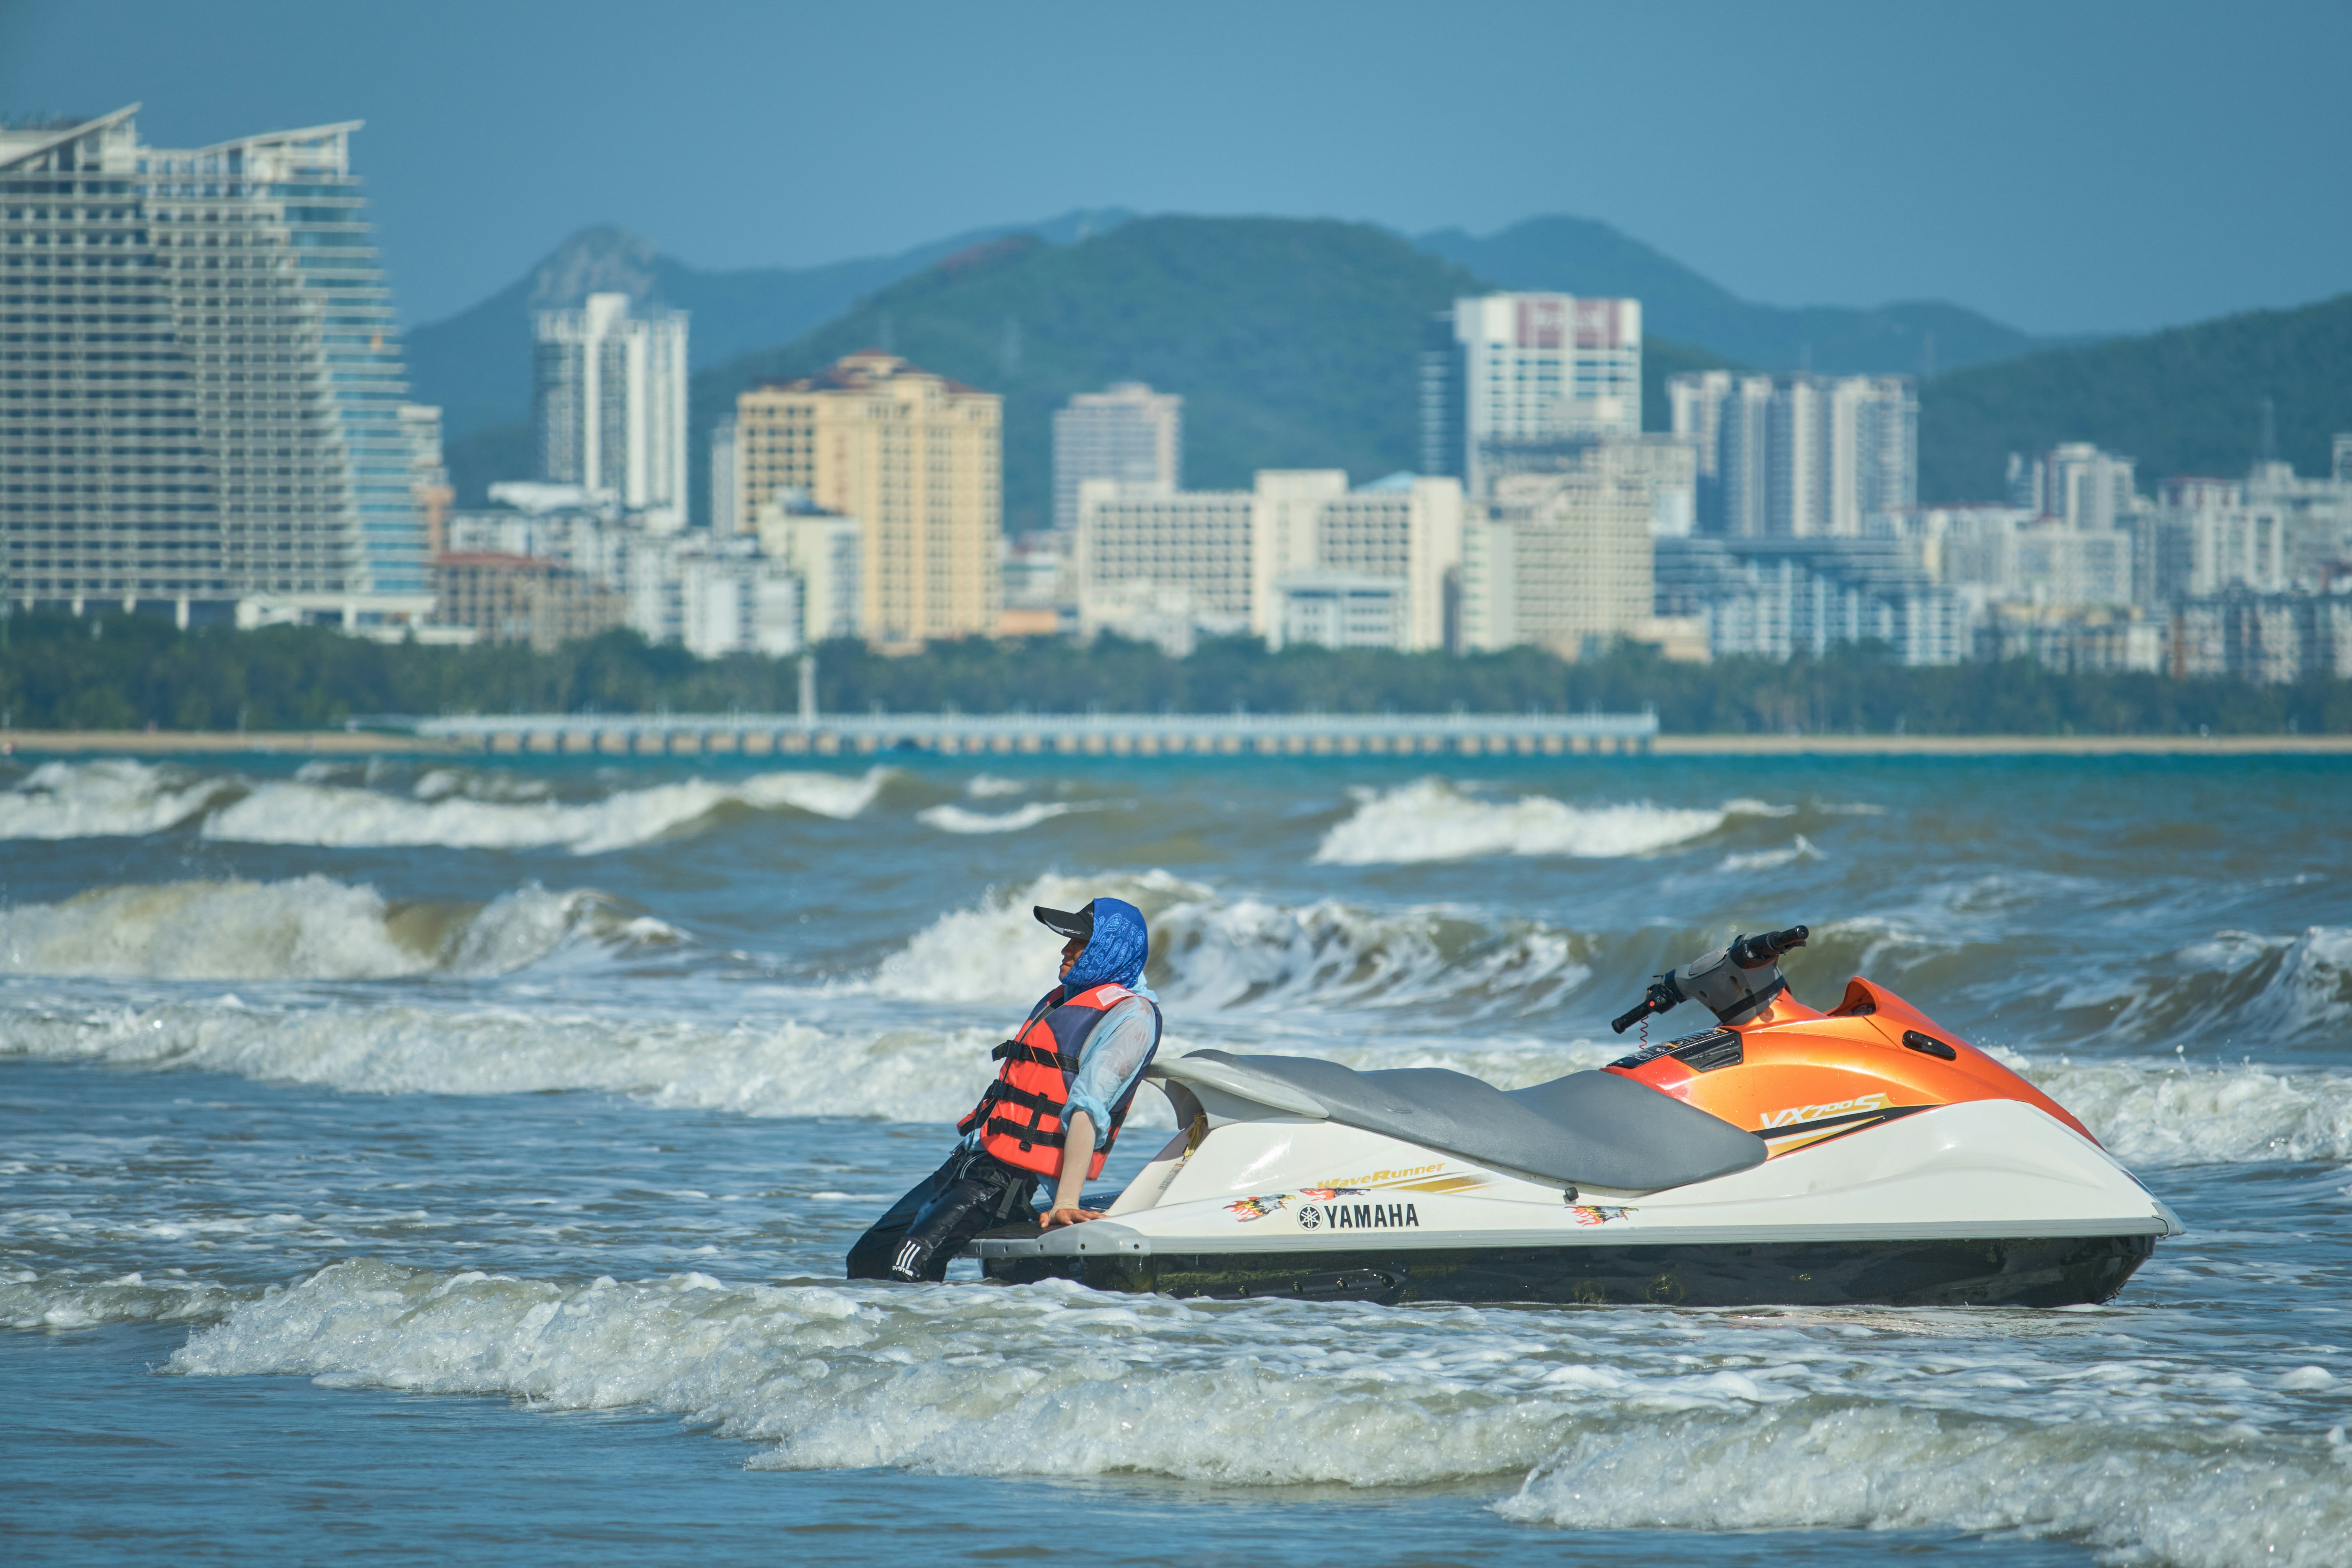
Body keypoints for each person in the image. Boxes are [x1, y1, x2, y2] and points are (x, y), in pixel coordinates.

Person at [846, 896, 1162, 1283]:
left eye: (1079, 943)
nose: (1065, 949)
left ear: (1109, 949)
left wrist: (1064, 1201)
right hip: (969, 1163)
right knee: (868, 1257)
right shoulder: (1062, 1000)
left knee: (906, 1266)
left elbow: (1088, 1108)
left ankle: (929, 1342)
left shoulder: (1132, 1015)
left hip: (1005, 1179)